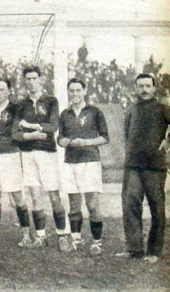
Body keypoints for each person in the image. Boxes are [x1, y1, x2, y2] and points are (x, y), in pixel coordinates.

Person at [116, 73, 170, 263]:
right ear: (135, 89)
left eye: (147, 86)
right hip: (133, 165)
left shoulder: (162, 109)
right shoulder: (131, 109)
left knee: (156, 208)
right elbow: (127, 135)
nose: (144, 89)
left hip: (154, 166)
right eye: (140, 86)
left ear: (154, 88)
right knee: (130, 205)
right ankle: (134, 248)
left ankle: (153, 251)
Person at [14, 66, 70, 251]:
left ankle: (63, 235)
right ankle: (41, 236)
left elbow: (53, 126)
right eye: (28, 78)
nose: (31, 81)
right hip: (28, 154)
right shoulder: (21, 104)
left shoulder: (51, 101)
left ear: (41, 79)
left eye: (34, 78)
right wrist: (35, 133)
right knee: (35, 197)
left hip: (47, 153)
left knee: (53, 195)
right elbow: (15, 133)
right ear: (25, 81)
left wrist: (28, 126)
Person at [58, 78, 109, 255]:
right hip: (70, 162)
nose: (75, 94)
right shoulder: (65, 114)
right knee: (74, 205)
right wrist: (63, 141)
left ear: (84, 91)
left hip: (90, 162)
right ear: (68, 92)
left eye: (78, 90)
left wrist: (85, 142)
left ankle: (97, 242)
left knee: (92, 204)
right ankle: (76, 240)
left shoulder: (95, 112)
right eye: (71, 90)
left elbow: (104, 137)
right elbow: (60, 138)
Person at [0, 78, 33, 247]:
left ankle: (26, 233)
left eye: (2, 90)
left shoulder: (16, 107)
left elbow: (19, 129)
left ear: (8, 91)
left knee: (17, 194)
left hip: (10, 155)